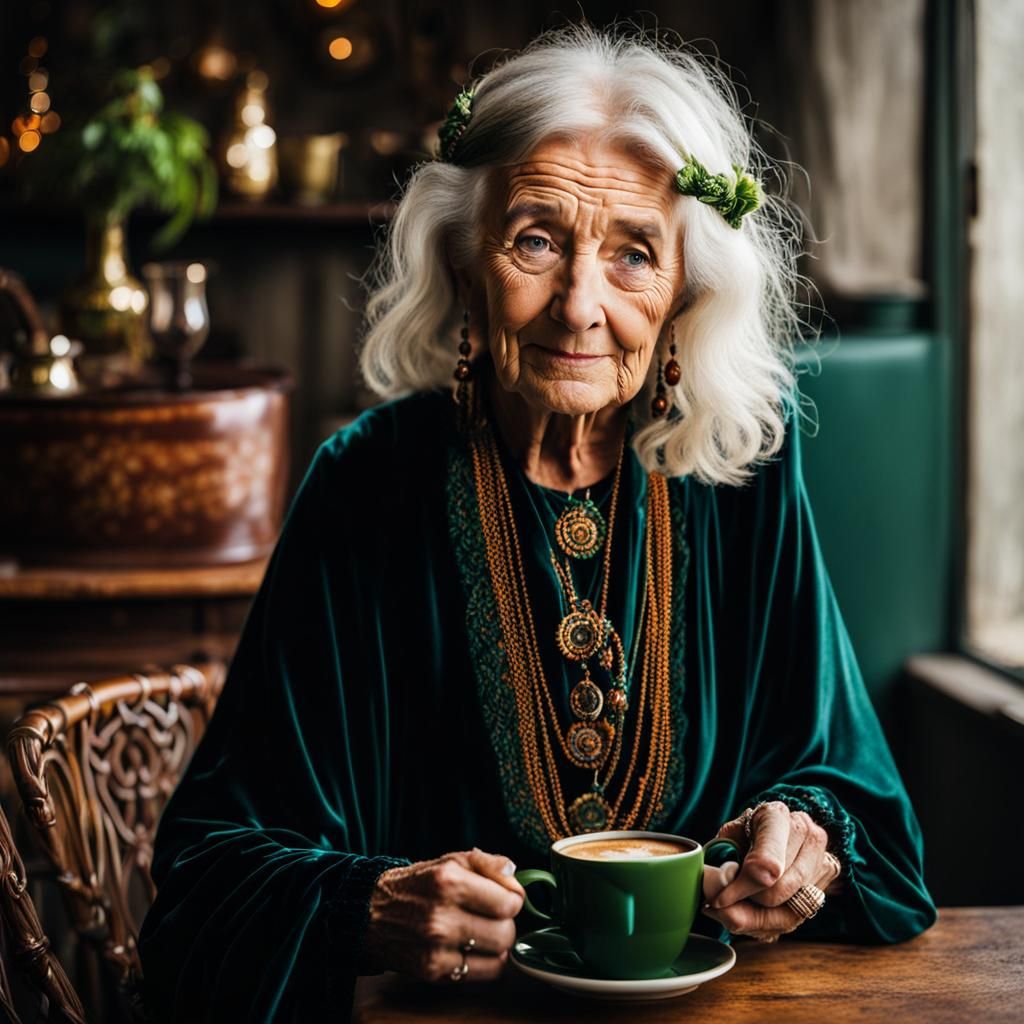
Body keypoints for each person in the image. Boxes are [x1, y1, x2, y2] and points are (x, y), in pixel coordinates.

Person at [138, 24, 937, 1022]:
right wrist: (368, 906)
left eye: (633, 253)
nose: (578, 305)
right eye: (536, 240)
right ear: (464, 262)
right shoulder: (367, 482)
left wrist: (805, 839)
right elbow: (208, 875)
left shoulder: (744, 474)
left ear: (687, 287)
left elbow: (865, 814)